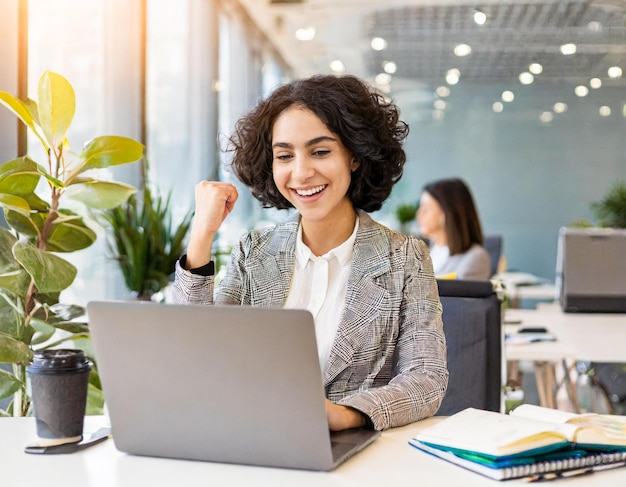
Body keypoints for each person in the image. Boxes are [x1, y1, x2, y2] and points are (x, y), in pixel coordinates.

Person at [172, 74, 448, 432]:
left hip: (353, 455)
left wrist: (343, 415)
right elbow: (196, 354)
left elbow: (426, 378)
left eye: (320, 151)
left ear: (355, 156)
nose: (301, 173)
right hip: (253, 442)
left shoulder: (405, 258)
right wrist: (201, 236)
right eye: (285, 155)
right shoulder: (254, 253)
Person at [416, 177, 491, 280]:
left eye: (425, 208)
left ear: (446, 213)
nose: (419, 214)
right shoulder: (428, 251)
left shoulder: (475, 258)